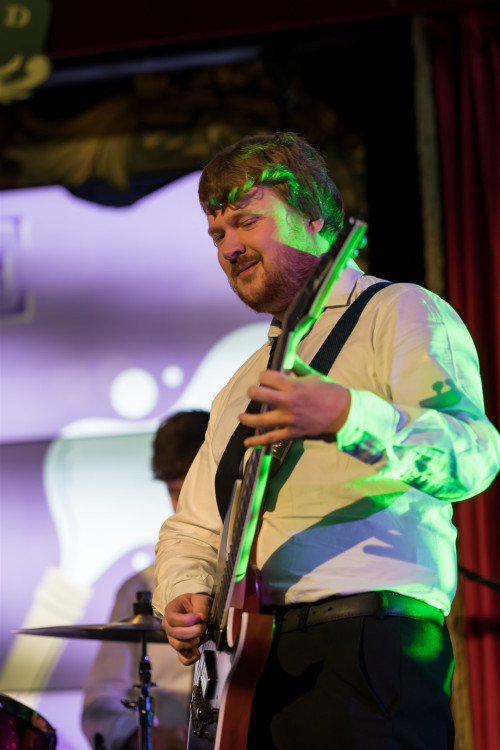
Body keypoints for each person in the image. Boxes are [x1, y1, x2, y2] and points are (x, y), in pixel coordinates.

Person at [152, 132, 500, 750]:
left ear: (315, 218)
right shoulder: (241, 383)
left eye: (247, 221)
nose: (230, 246)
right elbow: (195, 527)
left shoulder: (401, 311)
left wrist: (348, 416)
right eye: (217, 234)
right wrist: (182, 589)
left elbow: (471, 455)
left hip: (369, 644)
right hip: (257, 665)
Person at [82, 409, 209, 750]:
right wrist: (140, 736)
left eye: (195, 492)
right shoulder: (138, 588)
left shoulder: (258, 574)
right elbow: (101, 703)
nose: (185, 507)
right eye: (176, 493)